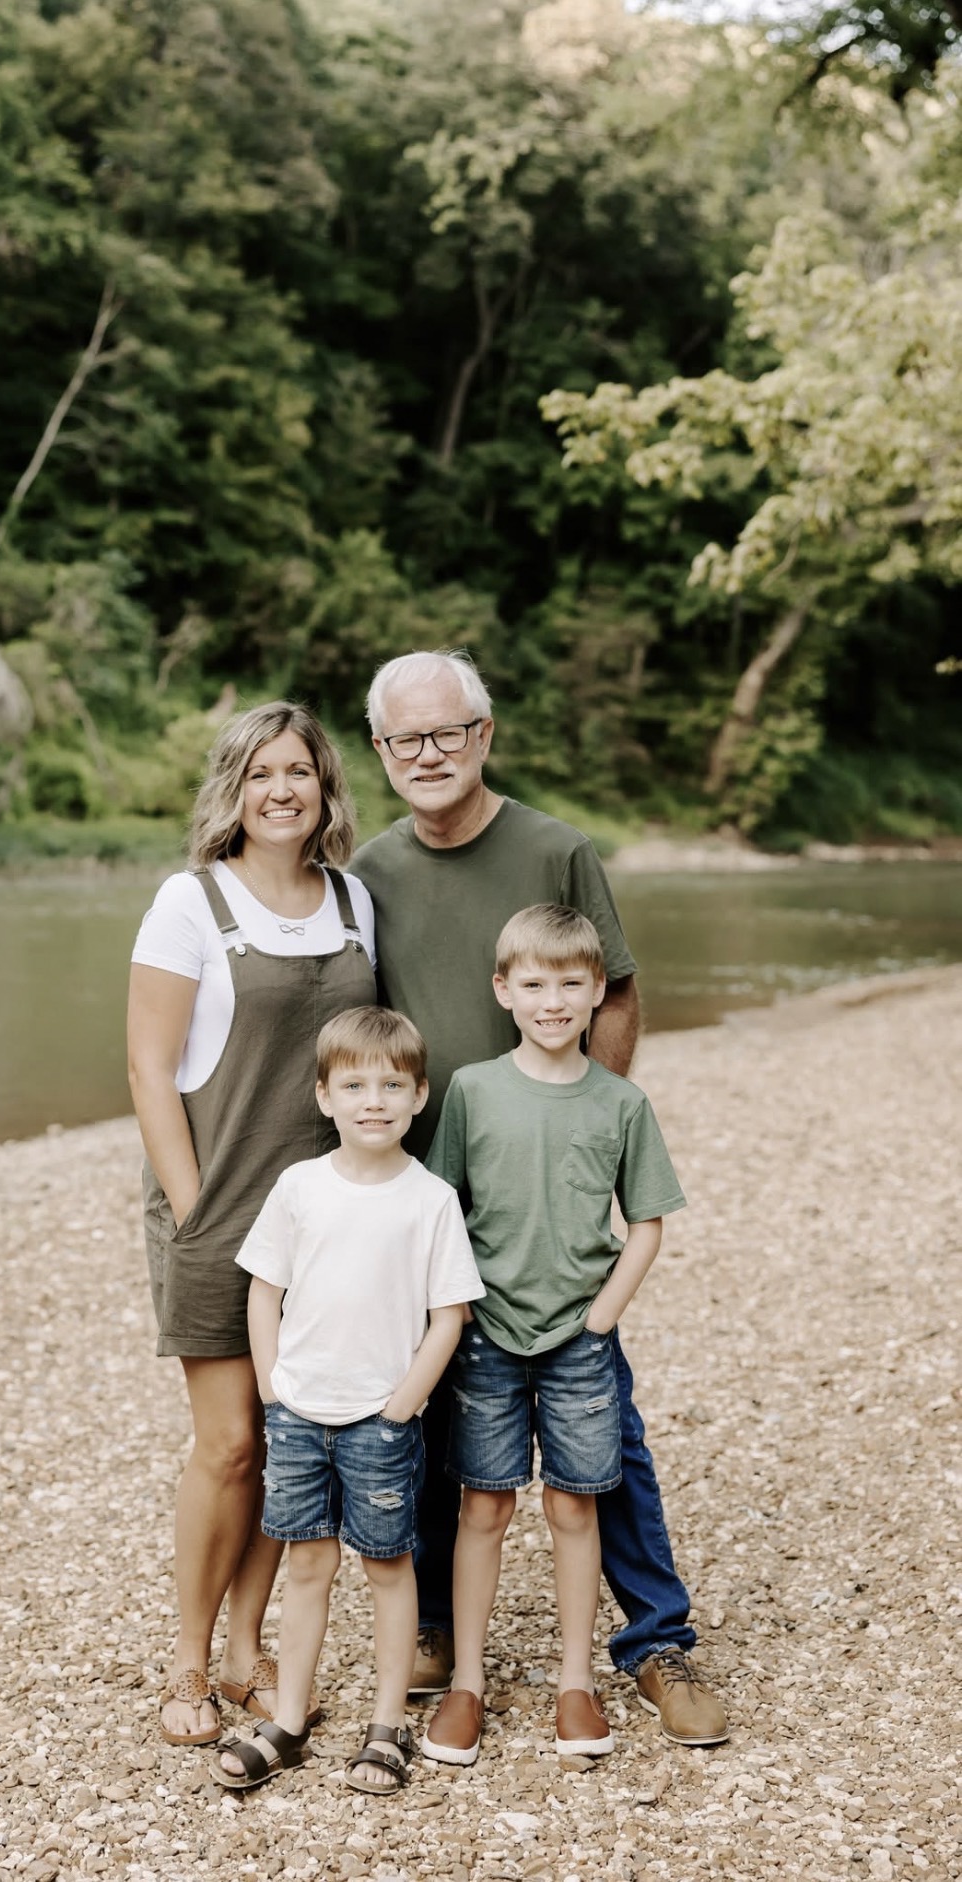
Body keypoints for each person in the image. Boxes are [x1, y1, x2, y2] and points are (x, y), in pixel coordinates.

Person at [351, 649, 729, 1747]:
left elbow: (617, 992)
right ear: (381, 751)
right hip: (433, 1192)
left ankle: (653, 1638)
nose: (428, 753)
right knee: (434, 1416)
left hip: (553, 1203)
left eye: (447, 731)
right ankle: (435, 1627)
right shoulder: (368, 873)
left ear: (484, 734)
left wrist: (588, 1146)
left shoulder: (555, 850)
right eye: (406, 738)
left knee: (604, 1433)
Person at [127, 702, 377, 1747]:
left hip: (326, 1219)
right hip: (219, 1207)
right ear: (232, 789)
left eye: (300, 772)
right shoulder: (188, 901)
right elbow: (149, 1069)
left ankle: (246, 1649)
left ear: (325, 787)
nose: (282, 790)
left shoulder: (355, 900)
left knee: (286, 1444)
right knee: (228, 1444)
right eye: (261, 773)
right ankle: (187, 1661)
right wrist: (195, 1214)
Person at [421, 905, 686, 1764]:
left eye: (571, 983)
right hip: (487, 1337)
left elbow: (645, 1223)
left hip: (579, 1341)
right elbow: (440, 1209)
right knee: (484, 1505)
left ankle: (577, 1682)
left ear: (598, 989)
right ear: (503, 990)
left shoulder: (621, 1102)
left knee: (575, 1504)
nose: (553, 1001)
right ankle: (467, 1684)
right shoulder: (473, 1090)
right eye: (534, 984)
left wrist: (601, 1317)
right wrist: (454, 1308)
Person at [213, 1007, 484, 1794]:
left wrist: (403, 1405)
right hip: (299, 1415)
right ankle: (288, 1722)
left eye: (392, 1086)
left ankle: (387, 1725)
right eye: (355, 1085)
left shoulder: (429, 1200)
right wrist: (272, 1387)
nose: (374, 1101)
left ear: (419, 1095)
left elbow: (449, 1315)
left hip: (380, 1421)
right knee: (308, 1564)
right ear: (324, 1096)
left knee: (389, 1567)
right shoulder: (299, 1187)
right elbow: (264, 1292)